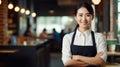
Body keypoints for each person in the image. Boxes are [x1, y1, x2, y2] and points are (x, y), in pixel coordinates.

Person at [61, 2, 107, 67]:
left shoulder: (99, 37)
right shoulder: (68, 38)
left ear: (92, 17)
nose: (84, 19)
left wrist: (78, 57)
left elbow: (101, 62)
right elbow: (67, 63)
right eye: (80, 15)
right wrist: (94, 60)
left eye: (88, 15)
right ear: (76, 17)